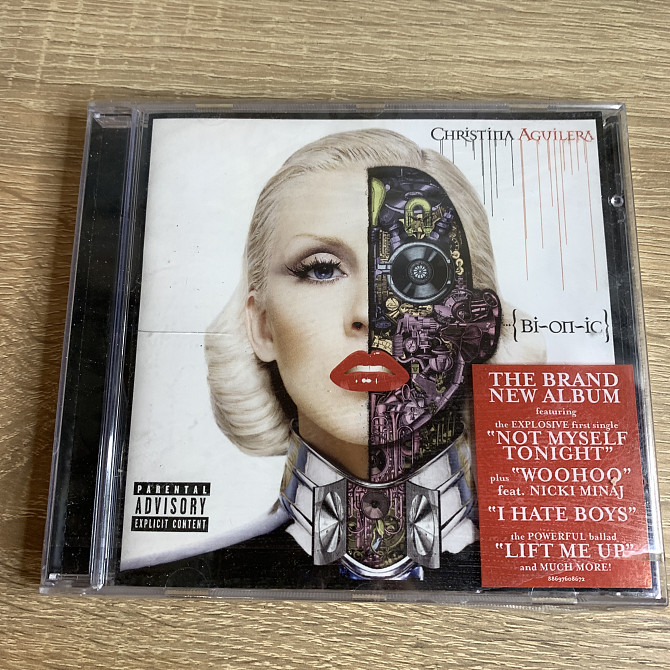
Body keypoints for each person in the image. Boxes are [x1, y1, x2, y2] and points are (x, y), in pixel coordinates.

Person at [119, 129, 537, 589]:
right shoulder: (161, 588)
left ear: (477, 325)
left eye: (419, 271)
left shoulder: (561, 582)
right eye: (322, 269)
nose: (370, 316)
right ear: (261, 325)